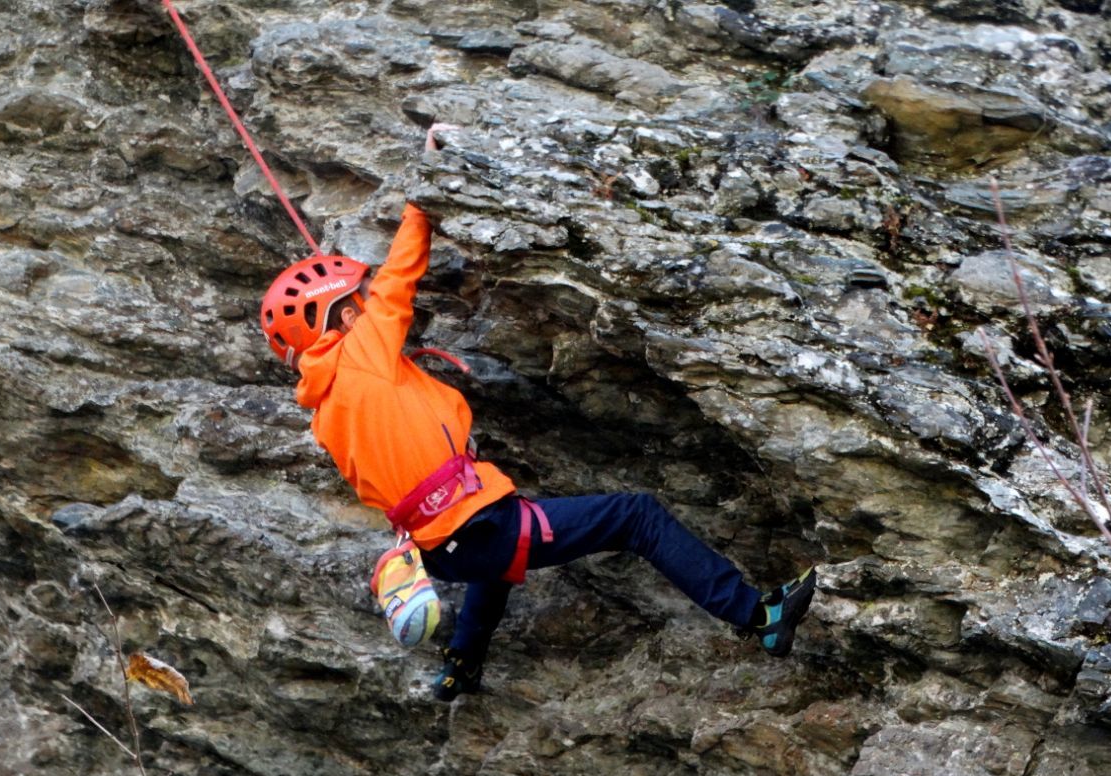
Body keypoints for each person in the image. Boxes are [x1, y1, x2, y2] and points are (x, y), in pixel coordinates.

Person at [261, 124, 816, 702]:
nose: (367, 303)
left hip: (444, 547)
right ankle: (758, 615)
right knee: (636, 517)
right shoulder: (363, 355)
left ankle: (460, 668)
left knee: (495, 565)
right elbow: (400, 279)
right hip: (482, 527)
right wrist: (424, 194)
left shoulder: (326, 408)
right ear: (345, 319)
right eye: (357, 300)